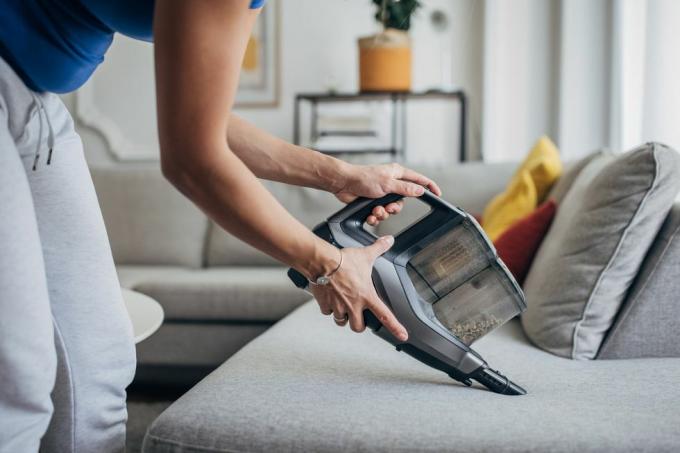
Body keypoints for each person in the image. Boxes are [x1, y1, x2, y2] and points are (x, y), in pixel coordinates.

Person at [0, 0, 441, 451]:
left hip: (34, 107)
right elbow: (193, 161)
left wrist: (342, 176)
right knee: (18, 378)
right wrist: (327, 265)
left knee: (95, 363)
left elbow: (206, 120)